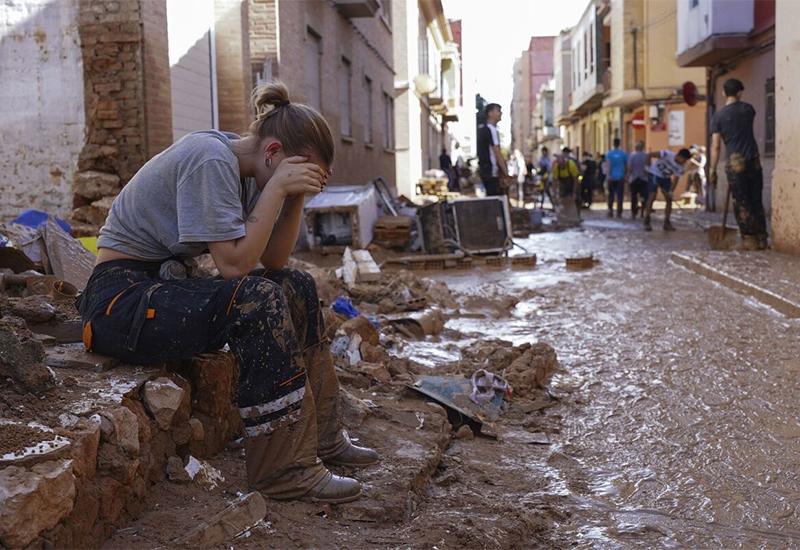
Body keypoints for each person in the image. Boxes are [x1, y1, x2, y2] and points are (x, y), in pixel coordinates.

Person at [76, 81, 379, 504]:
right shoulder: (210, 159)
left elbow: (274, 262)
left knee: (295, 285)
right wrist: (277, 188)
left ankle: (324, 439)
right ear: (273, 153)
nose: (299, 179)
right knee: (256, 299)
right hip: (119, 302)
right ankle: (283, 471)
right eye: (299, 168)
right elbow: (234, 267)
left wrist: (292, 198)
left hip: (164, 287)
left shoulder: (253, 171)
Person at [709, 78, 769, 249]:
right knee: (756, 199)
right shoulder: (748, 109)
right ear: (740, 92)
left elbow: (715, 146)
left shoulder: (718, 117)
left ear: (723, 93)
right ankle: (762, 237)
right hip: (754, 161)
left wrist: (712, 170)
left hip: (735, 163)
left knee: (741, 202)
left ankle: (749, 240)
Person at [643, 148, 692, 231]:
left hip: (665, 178)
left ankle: (667, 222)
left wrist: (671, 191)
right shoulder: (666, 154)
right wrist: (647, 167)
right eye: (684, 160)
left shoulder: (681, 167)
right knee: (652, 196)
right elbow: (649, 155)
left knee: (669, 199)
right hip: (654, 174)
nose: (684, 162)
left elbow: (676, 179)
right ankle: (647, 220)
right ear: (679, 156)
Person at [476, 103, 508, 196]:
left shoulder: (484, 129)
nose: (500, 113)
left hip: (486, 170)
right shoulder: (491, 129)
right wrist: (505, 172)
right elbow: (497, 152)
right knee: (495, 200)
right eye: (498, 111)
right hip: (491, 172)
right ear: (490, 113)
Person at [552, 147, 581, 225]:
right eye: (560, 165)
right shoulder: (556, 168)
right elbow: (554, 181)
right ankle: (565, 218)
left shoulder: (571, 165)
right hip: (563, 184)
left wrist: (574, 192)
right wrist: (554, 194)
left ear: (564, 162)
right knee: (563, 199)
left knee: (576, 199)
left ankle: (577, 217)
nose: (561, 167)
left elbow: (575, 179)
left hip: (573, 182)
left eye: (562, 165)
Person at [605, 138, 628, 218]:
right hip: (620, 177)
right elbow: (626, 165)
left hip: (611, 177)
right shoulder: (623, 154)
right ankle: (619, 212)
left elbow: (608, 165)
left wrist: (608, 176)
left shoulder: (609, 154)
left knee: (611, 195)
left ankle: (610, 210)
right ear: (619, 144)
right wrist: (625, 175)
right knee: (620, 195)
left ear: (613, 144)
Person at [627, 140, 650, 219]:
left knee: (634, 196)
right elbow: (648, 166)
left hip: (634, 179)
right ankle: (643, 212)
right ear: (642, 148)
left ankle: (634, 213)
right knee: (644, 196)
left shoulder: (632, 156)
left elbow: (629, 168)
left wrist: (628, 176)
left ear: (636, 148)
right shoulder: (646, 155)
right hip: (644, 179)